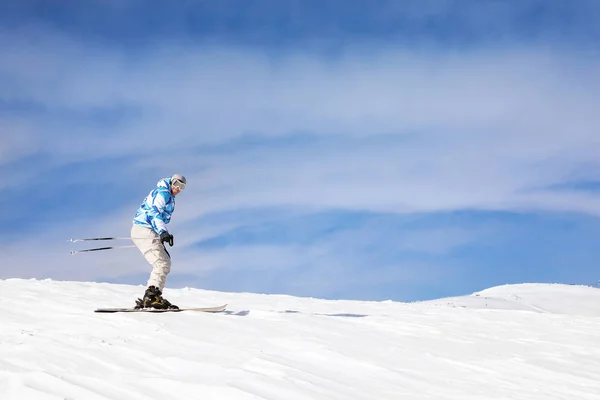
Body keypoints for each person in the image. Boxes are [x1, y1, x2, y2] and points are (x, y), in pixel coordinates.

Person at [131, 174, 186, 309]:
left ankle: (153, 295)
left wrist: (161, 233)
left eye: (182, 187)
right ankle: (151, 296)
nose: (178, 188)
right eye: (176, 184)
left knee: (164, 261)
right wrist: (162, 231)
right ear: (171, 182)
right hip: (144, 229)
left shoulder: (167, 194)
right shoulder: (164, 193)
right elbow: (155, 212)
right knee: (162, 262)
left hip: (144, 230)